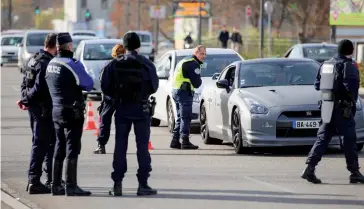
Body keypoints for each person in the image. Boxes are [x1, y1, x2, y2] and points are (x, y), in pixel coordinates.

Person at [100, 31, 158, 196]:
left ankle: (117, 184)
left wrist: (117, 97)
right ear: (139, 46)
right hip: (141, 109)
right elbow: (154, 87)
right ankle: (143, 184)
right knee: (142, 147)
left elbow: (105, 87)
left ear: (123, 46)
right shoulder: (147, 63)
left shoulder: (114, 64)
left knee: (120, 146)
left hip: (122, 108)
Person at [301, 39, 364, 184]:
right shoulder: (348, 65)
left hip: (327, 108)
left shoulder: (326, 64)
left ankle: (309, 168)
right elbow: (351, 88)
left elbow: (317, 85)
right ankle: (354, 172)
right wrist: (351, 101)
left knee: (322, 139)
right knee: (349, 140)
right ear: (350, 51)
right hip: (343, 110)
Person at [45, 32, 94, 196]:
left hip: (56, 110)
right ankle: (71, 186)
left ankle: (55, 184)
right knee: (72, 148)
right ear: (70, 46)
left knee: (59, 147)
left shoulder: (51, 62)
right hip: (72, 112)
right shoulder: (72, 63)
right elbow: (88, 84)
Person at [18, 33, 59, 194]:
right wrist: (27, 99)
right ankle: (34, 180)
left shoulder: (33, 59)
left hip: (35, 108)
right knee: (41, 144)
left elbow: (24, 84)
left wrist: (24, 99)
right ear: (55, 47)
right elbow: (39, 87)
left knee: (46, 143)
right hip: (42, 109)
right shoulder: (45, 63)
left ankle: (49, 177)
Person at [170, 45, 204, 150]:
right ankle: (185, 141)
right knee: (186, 117)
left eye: (205, 54)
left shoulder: (185, 60)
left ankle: (175, 141)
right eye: (202, 54)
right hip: (184, 92)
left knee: (180, 117)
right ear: (196, 53)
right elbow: (197, 83)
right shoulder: (193, 64)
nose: (204, 56)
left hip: (176, 91)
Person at [93, 44, 126, 154]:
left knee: (105, 121)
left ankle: (101, 145)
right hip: (125, 99)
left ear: (114, 53)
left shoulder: (109, 65)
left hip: (110, 99)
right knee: (123, 123)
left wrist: (108, 96)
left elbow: (103, 83)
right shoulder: (129, 64)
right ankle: (121, 146)